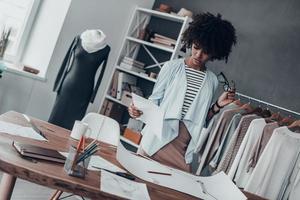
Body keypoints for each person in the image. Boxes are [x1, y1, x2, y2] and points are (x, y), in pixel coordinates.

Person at [128, 12, 237, 172]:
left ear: (214, 53)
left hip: (182, 151)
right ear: (191, 42)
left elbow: (200, 119)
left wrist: (218, 105)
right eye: (196, 47)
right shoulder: (172, 67)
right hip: (155, 142)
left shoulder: (212, 81)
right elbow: (154, 100)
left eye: (205, 51)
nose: (198, 54)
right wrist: (137, 110)